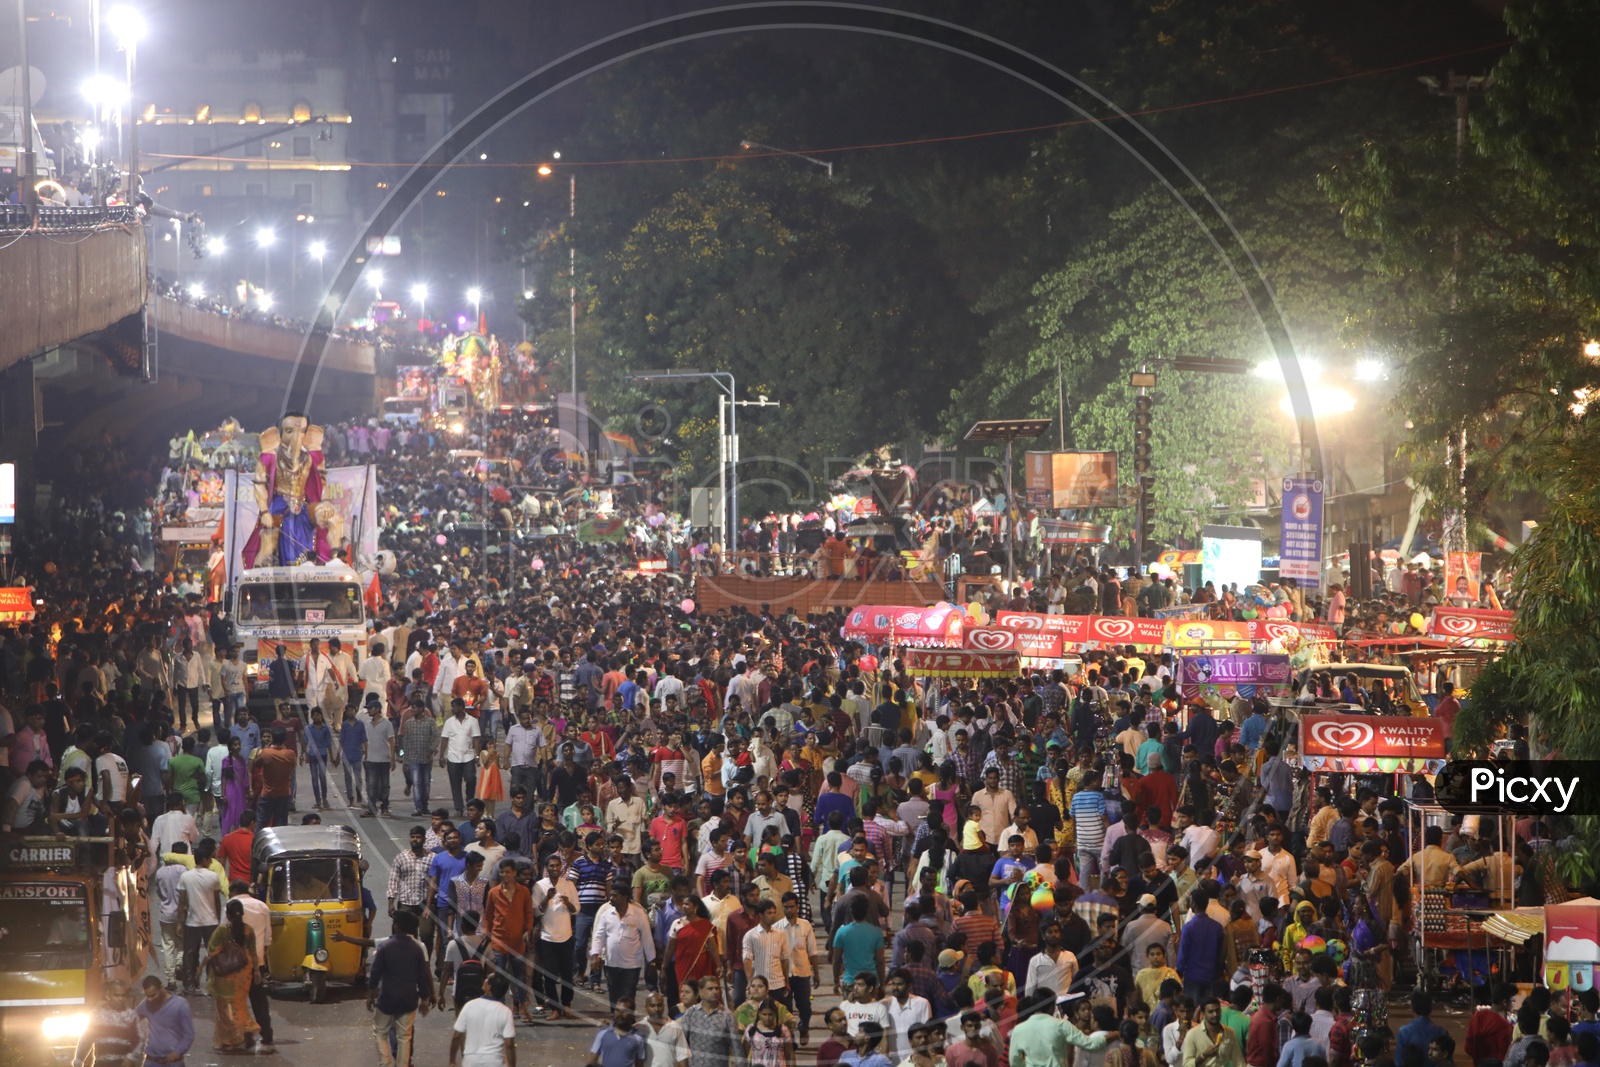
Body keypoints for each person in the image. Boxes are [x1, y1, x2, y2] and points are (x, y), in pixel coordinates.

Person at [369, 910, 435, 1067]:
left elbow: (375, 973)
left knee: (380, 1032)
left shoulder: (385, 947)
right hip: (409, 1000)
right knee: (405, 1036)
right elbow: (422, 976)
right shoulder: (417, 948)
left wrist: (370, 994)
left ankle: (386, 1063)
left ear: (396, 926)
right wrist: (425, 999)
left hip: (387, 1000)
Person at [206, 900, 262, 1053]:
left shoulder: (222, 931)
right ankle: (246, 1029)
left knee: (224, 1009)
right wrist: (256, 971)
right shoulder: (248, 930)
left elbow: (212, 951)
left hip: (225, 974)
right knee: (240, 1005)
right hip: (243, 974)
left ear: (227, 915)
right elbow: (252, 953)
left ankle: (230, 1039)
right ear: (242, 914)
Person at [71, 979, 147, 1067]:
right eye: (117, 995)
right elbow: (87, 1037)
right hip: (101, 1064)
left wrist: (131, 1057)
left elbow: (139, 1041)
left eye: (123, 996)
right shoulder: (97, 1014)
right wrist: (79, 1059)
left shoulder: (131, 1016)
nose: (121, 999)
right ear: (108, 995)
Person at [449, 975, 517, 1067]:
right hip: (494, 1060)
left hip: (471, 1060)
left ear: (489, 987)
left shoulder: (470, 1005)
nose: (484, 980)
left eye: (487, 979)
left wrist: (452, 1061)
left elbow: (457, 1036)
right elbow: (509, 1044)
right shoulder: (505, 1011)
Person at [680, 976, 743, 1067]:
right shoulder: (691, 1013)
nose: (715, 992)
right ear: (700, 991)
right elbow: (681, 1045)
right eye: (710, 989)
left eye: (717, 988)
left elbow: (737, 1048)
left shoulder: (727, 1016)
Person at [136, 975, 194, 1066]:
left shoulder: (180, 1004)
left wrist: (178, 1052)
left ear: (162, 988)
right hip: (151, 1061)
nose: (150, 999)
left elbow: (189, 1034)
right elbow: (132, 1019)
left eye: (153, 995)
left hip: (173, 1063)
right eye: (147, 996)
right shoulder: (146, 1004)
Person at [589, 998, 649, 1067]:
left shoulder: (639, 1037)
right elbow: (592, 1062)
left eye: (625, 1011)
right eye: (617, 1010)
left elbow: (639, 1064)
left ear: (632, 1014)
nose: (620, 1014)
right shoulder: (602, 1033)